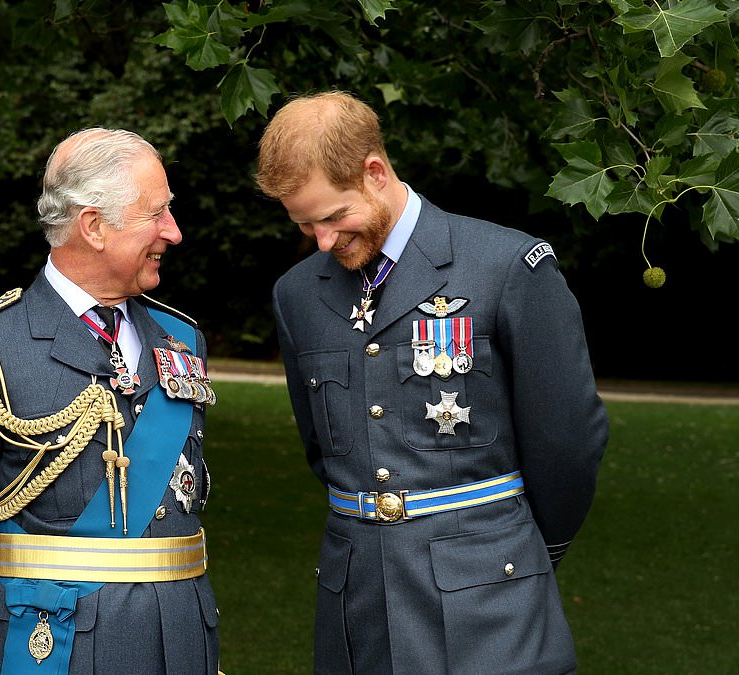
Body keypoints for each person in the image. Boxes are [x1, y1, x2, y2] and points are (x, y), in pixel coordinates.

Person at [258, 91, 608, 674]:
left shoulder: (506, 267)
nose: (322, 240)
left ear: (374, 172)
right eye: (303, 224)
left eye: (333, 216)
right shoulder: (297, 294)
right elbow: (323, 449)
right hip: (357, 605)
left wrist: (524, 551)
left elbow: (568, 441)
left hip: (491, 602)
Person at [0, 127, 220, 674]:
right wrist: (6, 610)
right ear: (94, 227)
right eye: (158, 213)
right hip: (51, 638)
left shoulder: (181, 338)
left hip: (179, 633)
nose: (173, 232)